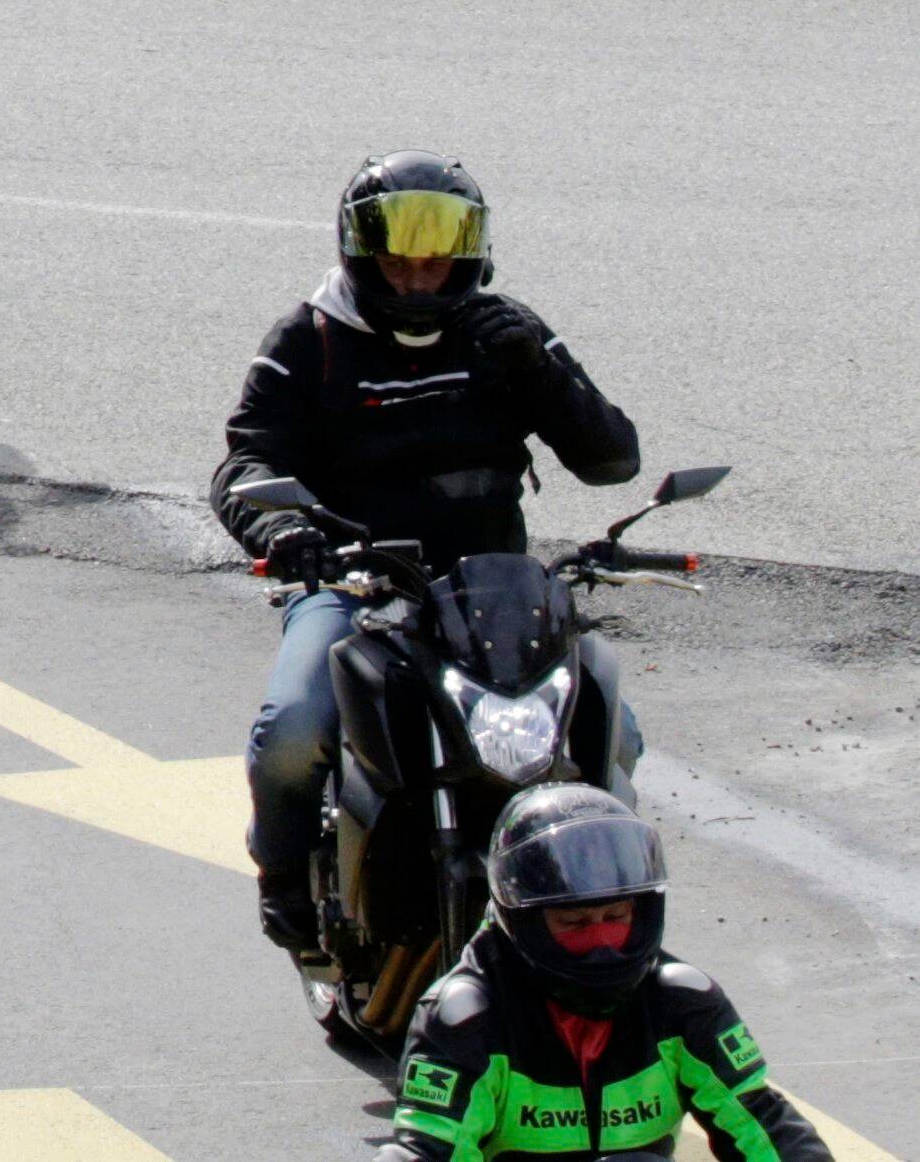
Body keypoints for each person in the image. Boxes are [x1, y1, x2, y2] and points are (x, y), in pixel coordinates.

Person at [216, 155, 644, 961]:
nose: (417, 277)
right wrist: (281, 534)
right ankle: (283, 882)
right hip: (354, 585)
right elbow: (242, 468)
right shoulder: (307, 339)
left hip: (494, 597)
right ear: (359, 252)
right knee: (293, 728)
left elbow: (613, 459)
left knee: (612, 730)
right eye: (398, 258)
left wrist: (541, 369)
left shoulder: (506, 331)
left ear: (469, 255)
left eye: (435, 257)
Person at [392, 790, 832, 1162]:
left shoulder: (684, 1002)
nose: (601, 941)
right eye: (575, 923)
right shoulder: (463, 1019)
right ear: (521, 919)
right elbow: (424, 1151)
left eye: (614, 916)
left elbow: (768, 1126)